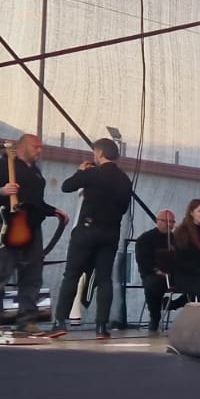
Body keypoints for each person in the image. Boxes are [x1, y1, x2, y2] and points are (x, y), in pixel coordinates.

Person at [0, 134, 66, 331]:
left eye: (41, 147)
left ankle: (27, 319)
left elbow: (35, 202)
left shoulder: (35, 172)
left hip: (30, 227)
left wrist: (53, 211)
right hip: (4, 225)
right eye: (36, 147)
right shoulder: (3, 165)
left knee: (32, 274)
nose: (40, 151)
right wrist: (2, 191)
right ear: (22, 147)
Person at [50, 138, 133, 338]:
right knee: (104, 279)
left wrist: (80, 172)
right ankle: (101, 327)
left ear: (100, 153)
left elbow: (66, 186)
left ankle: (60, 323)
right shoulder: (125, 180)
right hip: (111, 232)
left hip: (87, 230)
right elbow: (123, 208)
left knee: (72, 274)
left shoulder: (92, 174)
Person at [132, 210, 175, 333]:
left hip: (173, 275)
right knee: (153, 284)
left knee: (196, 284)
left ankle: (172, 304)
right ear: (157, 221)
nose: (169, 224)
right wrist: (157, 270)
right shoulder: (145, 238)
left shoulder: (176, 238)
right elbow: (143, 259)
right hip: (153, 274)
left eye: (172, 222)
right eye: (166, 221)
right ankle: (155, 317)